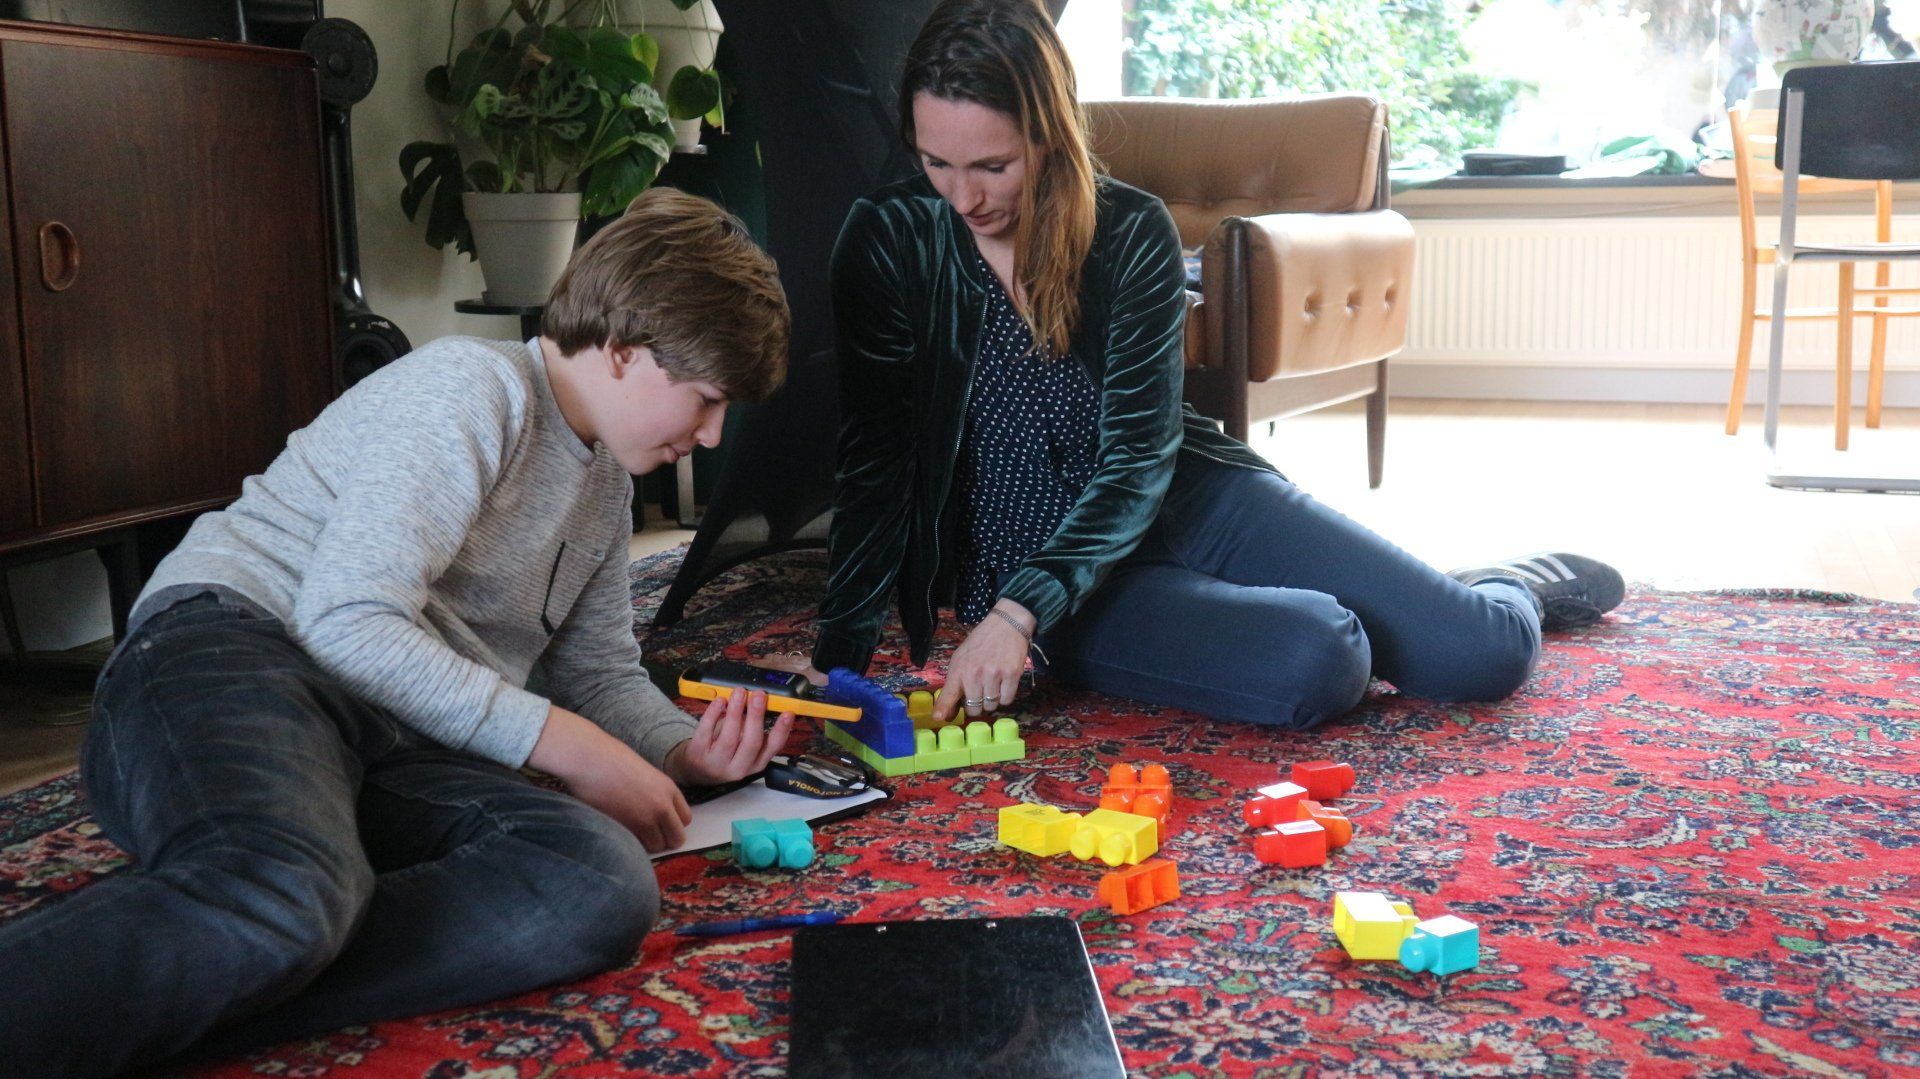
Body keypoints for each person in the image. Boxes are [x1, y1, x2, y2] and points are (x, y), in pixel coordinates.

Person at [0, 188, 796, 1079]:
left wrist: (680, 753)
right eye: (707, 399)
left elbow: (598, 670)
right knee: (287, 890)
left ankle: (200, 962)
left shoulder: (607, 484)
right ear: (623, 349)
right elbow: (347, 620)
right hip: (235, 652)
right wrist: (567, 743)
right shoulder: (472, 388)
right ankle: (242, 918)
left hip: (397, 733)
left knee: (600, 882)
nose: (713, 434)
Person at [796, 0, 1624, 729]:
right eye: (936, 163)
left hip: (1188, 494)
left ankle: (1504, 581)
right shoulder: (888, 237)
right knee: (1321, 659)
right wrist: (844, 654)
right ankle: (1349, 608)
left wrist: (1015, 618)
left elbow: (1137, 459)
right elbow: (878, 457)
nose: (962, 197)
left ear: (1048, 136)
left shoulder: (1130, 229)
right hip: (1038, 565)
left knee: (1482, 652)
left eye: (992, 166)